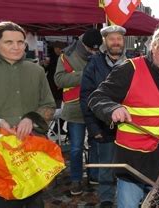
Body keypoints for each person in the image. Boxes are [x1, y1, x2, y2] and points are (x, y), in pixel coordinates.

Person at [87, 26, 159, 208]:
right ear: (154, 46)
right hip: (134, 162)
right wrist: (112, 108)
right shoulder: (131, 69)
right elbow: (97, 97)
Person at [0, 21, 55, 207]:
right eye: (9, 42)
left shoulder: (36, 70)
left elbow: (48, 106)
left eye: (20, 42)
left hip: (30, 157)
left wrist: (32, 118)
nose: (16, 47)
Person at [80, 25, 126, 208]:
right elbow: (86, 97)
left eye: (119, 39)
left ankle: (127, 199)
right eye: (112, 39)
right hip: (103, 126)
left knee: (125, 167)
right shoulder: (93, 65)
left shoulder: (133, 64)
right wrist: (93, 127)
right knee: (106, 167)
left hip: (128, 127)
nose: (116, 42)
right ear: (105, 42)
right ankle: (106, 199)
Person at [54, 28, 102, 195]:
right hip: (75, 109)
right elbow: (59, 79)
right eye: (90, 49)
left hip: (95, 108)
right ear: (83, 44)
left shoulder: (100, 54)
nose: (93, 52)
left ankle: (94, 175)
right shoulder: (67, 55)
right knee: (76, 147)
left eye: (96, 49)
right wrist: (85, 75)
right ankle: (76, 180)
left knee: (96, 144)